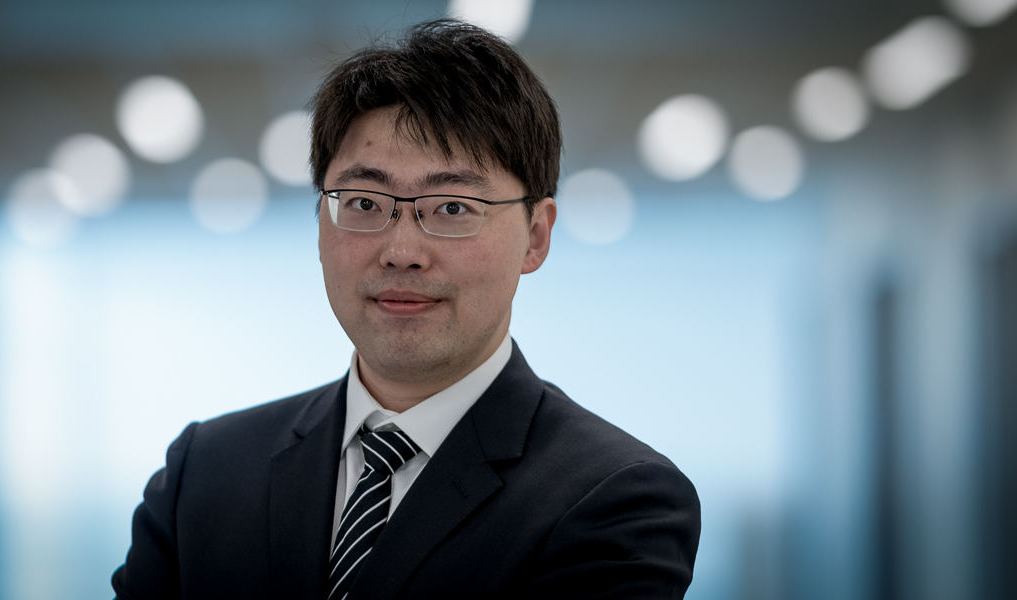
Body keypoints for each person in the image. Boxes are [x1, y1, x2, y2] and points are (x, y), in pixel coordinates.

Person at [113, 18, 700, 600]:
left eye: (451, 208)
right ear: (320, 223)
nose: (401, 252)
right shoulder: (206, 472)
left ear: (535, 237)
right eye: (365, 201)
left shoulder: (616, 500)